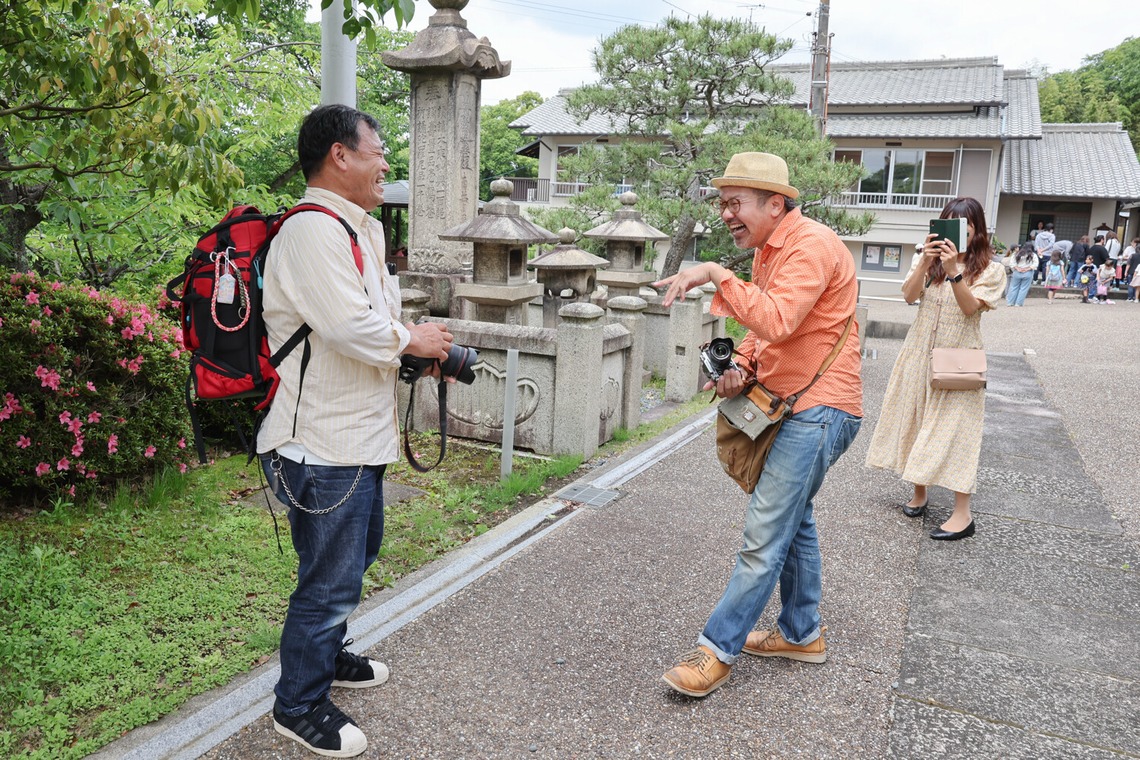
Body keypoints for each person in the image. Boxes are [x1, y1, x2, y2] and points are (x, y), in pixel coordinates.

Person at [256, 104, 455, 758]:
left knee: (353, 560)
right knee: (329, 580)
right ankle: (300, 705)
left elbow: (366, 327)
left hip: (356, 435)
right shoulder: (312, 231)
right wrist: (411, 338)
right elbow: (348, 328)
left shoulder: (358, 230)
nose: (385, 162)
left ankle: (329, 654)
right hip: (320, 439)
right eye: (377, 150)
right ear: (339, 155)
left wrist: (417, 352)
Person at [652, 152, 862, 698]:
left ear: (775, 203)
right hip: (796, 402)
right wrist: (742, 365)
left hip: (820, 407)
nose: (726, 213)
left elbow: (775, 317)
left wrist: (716, 273)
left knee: (763, 534)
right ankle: (801, 633)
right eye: (722, 203)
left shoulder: (811, 245)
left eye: (734, 203)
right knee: (795, 521)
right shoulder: (771, 250)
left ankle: (715, 650)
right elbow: (764, 332)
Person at [865, 197, 1007, 541]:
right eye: (950, 225)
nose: (957, 234)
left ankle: (963, 514)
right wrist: (925, 263)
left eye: (965, 227)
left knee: (958, 432)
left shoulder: (991, 269)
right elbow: (909, 297)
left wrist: (955, 271)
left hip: (960, 360)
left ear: (977, 231)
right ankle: (919, 493)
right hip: (917, 354)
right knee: (916, 420)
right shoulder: (927, 260)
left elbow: (971, 308)